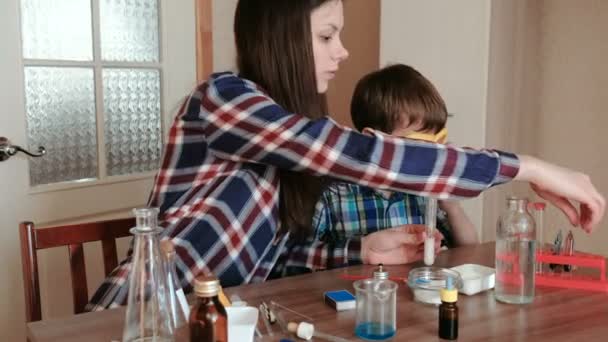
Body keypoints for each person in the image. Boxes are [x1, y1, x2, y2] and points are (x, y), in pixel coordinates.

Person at [86, 0, 604, 311]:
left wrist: (362, 251)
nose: (343, 51)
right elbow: (354, 153)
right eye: (327, 35)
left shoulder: (287, 136)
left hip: (222, 320)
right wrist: (528, 166)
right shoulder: (223, 100)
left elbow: (274, 259)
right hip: (138, 319)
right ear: (284, 37)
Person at [303, 63, 477, 270]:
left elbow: (469, 249)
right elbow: (301, 257)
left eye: (438, 141)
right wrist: (360, 250)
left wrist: (452, 207)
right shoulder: (335, 192)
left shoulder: (425, 191)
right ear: (373, 140)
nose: (431, 155)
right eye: (418, 143)